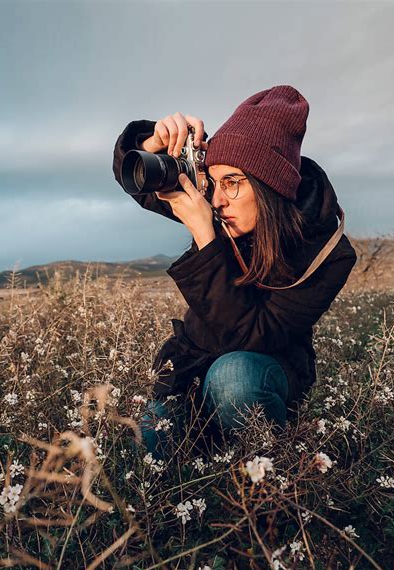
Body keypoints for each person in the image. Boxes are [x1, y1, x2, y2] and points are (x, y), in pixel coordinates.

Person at [112, 85, 357, 459]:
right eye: (214, 181)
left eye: (232, 184)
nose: (216, 199)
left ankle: (261, 474)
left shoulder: (327, 253)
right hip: (194, 365)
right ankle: (210, 454)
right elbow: (132, 175)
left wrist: (205, 238)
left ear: (269, 185)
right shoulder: (222, 207)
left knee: (233, 378)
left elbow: (252, 335)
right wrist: (152, 142)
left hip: (261, 367)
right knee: (149, 446)